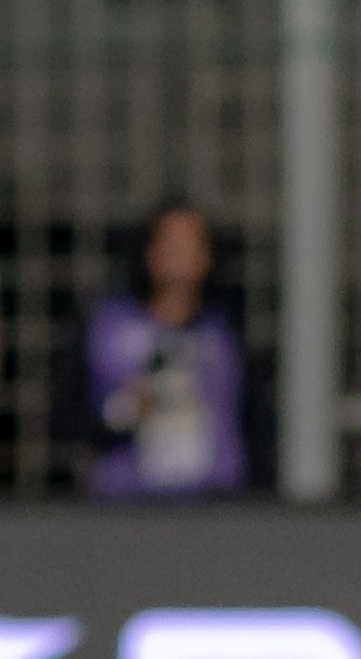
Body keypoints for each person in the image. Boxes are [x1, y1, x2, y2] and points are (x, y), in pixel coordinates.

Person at [79, 202, 247, 496]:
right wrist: (123, 411)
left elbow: (250, 417)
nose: (184, 255)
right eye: (172, 244)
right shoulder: (108, 328)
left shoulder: (223, 334)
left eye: (193, 244)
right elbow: (70, 417)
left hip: (214, 503)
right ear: (149, 253)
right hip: (130, 503)